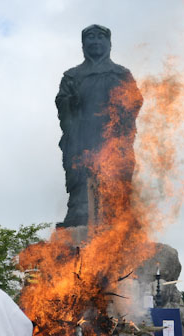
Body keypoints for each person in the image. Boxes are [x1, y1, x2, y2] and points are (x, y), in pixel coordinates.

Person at [56, 24, 143, 227]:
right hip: (82, 135)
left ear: (109, 43)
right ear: (83, 44)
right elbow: (62, 102)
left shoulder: (121, 74)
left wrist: (122, 106)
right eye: (90, 38)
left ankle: (118, 213)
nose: (95, 41)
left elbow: (135, 101)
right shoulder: (72, 76)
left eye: (100, 37)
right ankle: (80, 209)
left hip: (112, 135)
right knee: (81, 173)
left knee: (116, 174)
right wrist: (71, 103)